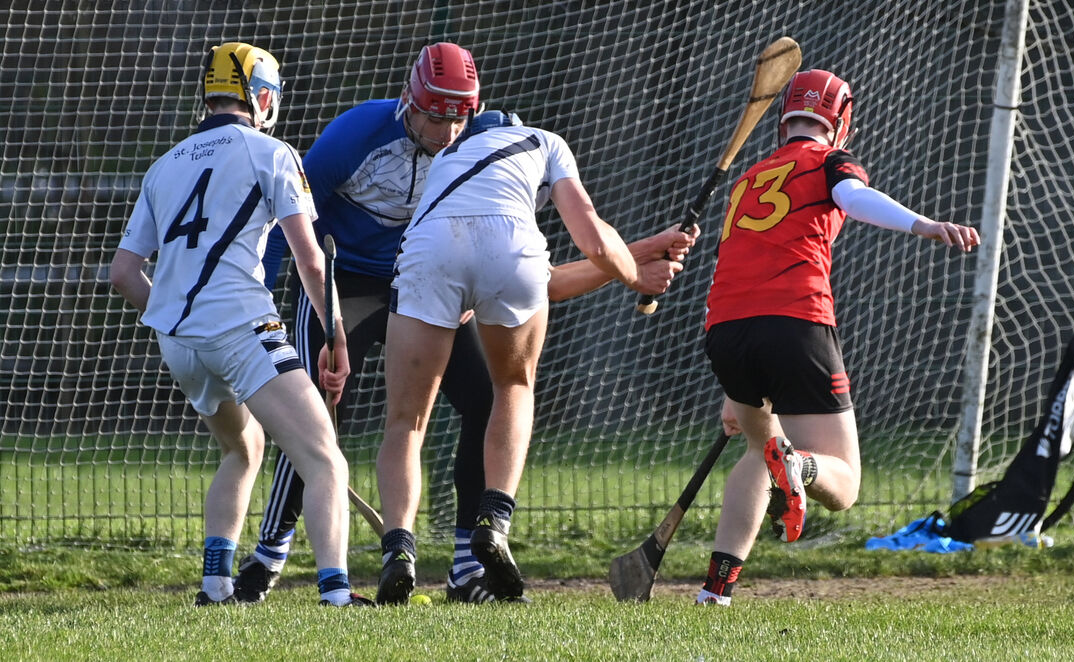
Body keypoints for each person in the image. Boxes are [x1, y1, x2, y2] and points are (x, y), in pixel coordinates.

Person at [376, 109, 697, 604]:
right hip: (511, 248)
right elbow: (589, 237)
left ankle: (399, 549)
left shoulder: (446, 162)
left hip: (430, 250)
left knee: (406, 422)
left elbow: (545, 278)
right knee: (513, 386)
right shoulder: (545, 142)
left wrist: (645, 251)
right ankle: (494, 519)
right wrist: (634, 276)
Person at [694, 69, 980, 606]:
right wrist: (923, 225)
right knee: (842, 485)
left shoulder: (749, 176)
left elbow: (737, 264)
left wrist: (734, 388)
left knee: (760, 449)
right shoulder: (830, 162)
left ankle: (716, 591)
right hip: (795, 322)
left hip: (725, 331)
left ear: (785, 119)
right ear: (840, 120)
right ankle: (798, 466)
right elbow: (852, 197)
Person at [234, 41, 503, 604]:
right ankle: (267, 559)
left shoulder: (476, 140)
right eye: (435, 115)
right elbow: (289, 215)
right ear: (410, 100)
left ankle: (465, 567)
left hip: (423, 286)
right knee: (315, 415)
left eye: (460, 117)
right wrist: (265, 299)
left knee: (486, 398)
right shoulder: (354, 136)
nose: (447, 131)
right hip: (343, 283)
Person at [109, 42, 371, 607]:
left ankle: (215, 585)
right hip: (243, 328)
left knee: (244, 448)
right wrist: (335, 336)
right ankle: (337, 596)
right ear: (261, 96)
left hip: (178, 341)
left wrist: (176, 317)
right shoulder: (272, 152)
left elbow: (125, 274)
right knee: (324, 456)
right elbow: (309, 258)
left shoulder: (163, 165)